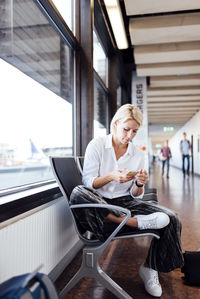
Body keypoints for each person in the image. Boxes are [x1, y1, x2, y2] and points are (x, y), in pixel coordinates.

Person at [71, 104, 184, 297]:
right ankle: (132, 222)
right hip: (99, 202)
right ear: (115, 124)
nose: (130, 135)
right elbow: (88, 184)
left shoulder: (138, 154)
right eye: (126, 129)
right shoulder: (97, 145)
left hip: (125, 202)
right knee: (77, 192)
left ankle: (150, 267)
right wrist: (110, 176)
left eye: (134, 131)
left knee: (172, 218)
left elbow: (135, 195)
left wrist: (139, 184)